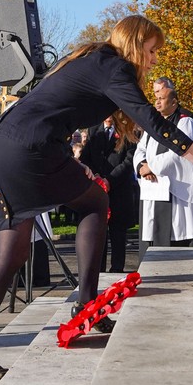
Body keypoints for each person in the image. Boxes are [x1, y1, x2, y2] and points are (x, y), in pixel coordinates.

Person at [0, 15, 193, 382]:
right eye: (152, 50)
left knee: (14, 251)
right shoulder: (114, 67)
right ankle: (87, 305)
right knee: (94, 204)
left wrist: (70, 164)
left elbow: (51, 109)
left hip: (6, 145)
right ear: (135, 42)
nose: (154, 60)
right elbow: (156, 126)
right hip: (28, 149)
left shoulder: (94, 59)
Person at [134, 88, 193, 258]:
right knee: (152, 234)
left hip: (177, 191)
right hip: (154, 189)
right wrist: (141, 165)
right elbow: (140, 149)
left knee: (178, 235)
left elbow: (182, 153)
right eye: (156, 99)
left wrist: (152, 167)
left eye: (162, 99)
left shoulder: (185, 122)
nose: (157, 102)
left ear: (174, 102)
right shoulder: (153, 123)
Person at [80, 116, 137, 273]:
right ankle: (99, 271)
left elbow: (129, 160)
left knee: (118, 235)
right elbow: (86, 157)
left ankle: (117, 270)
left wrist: (110, 180)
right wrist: (95, 176)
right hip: (98, 190)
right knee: (99, 233)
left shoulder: (127, 130)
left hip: (118, 190)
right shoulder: (94, 130)